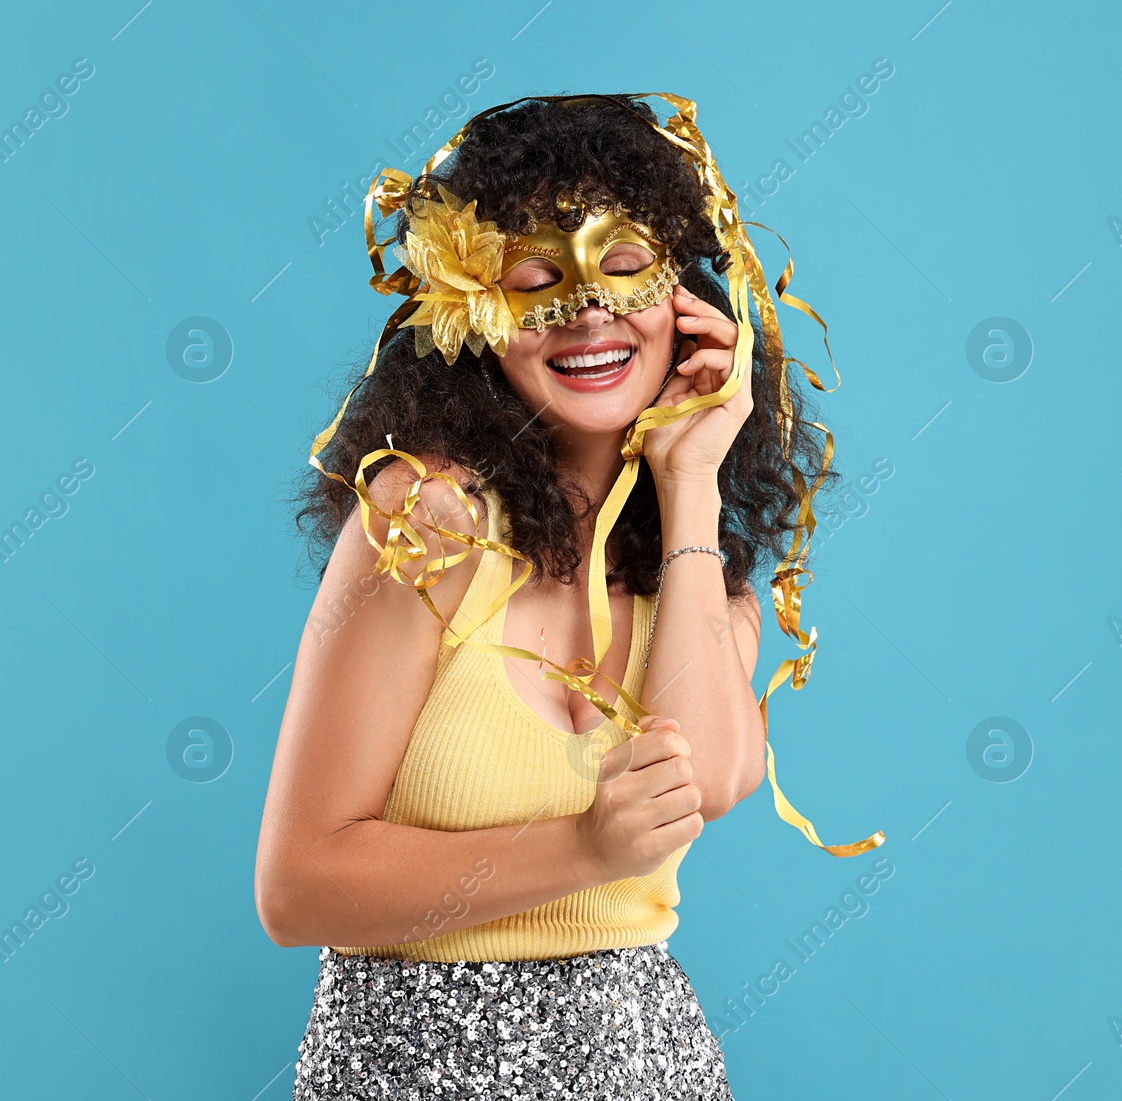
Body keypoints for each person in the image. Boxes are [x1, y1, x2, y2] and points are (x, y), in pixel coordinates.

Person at [253, 93, 861, 1099]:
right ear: (474, 312)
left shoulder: (706, 576)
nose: (588, 311)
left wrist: (691, 483)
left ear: (686, 300)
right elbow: (297, 887)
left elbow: (702, 784)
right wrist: (582, 847)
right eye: (538, 278)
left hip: (648, 1068)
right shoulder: (425, 521)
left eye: (625, 268)